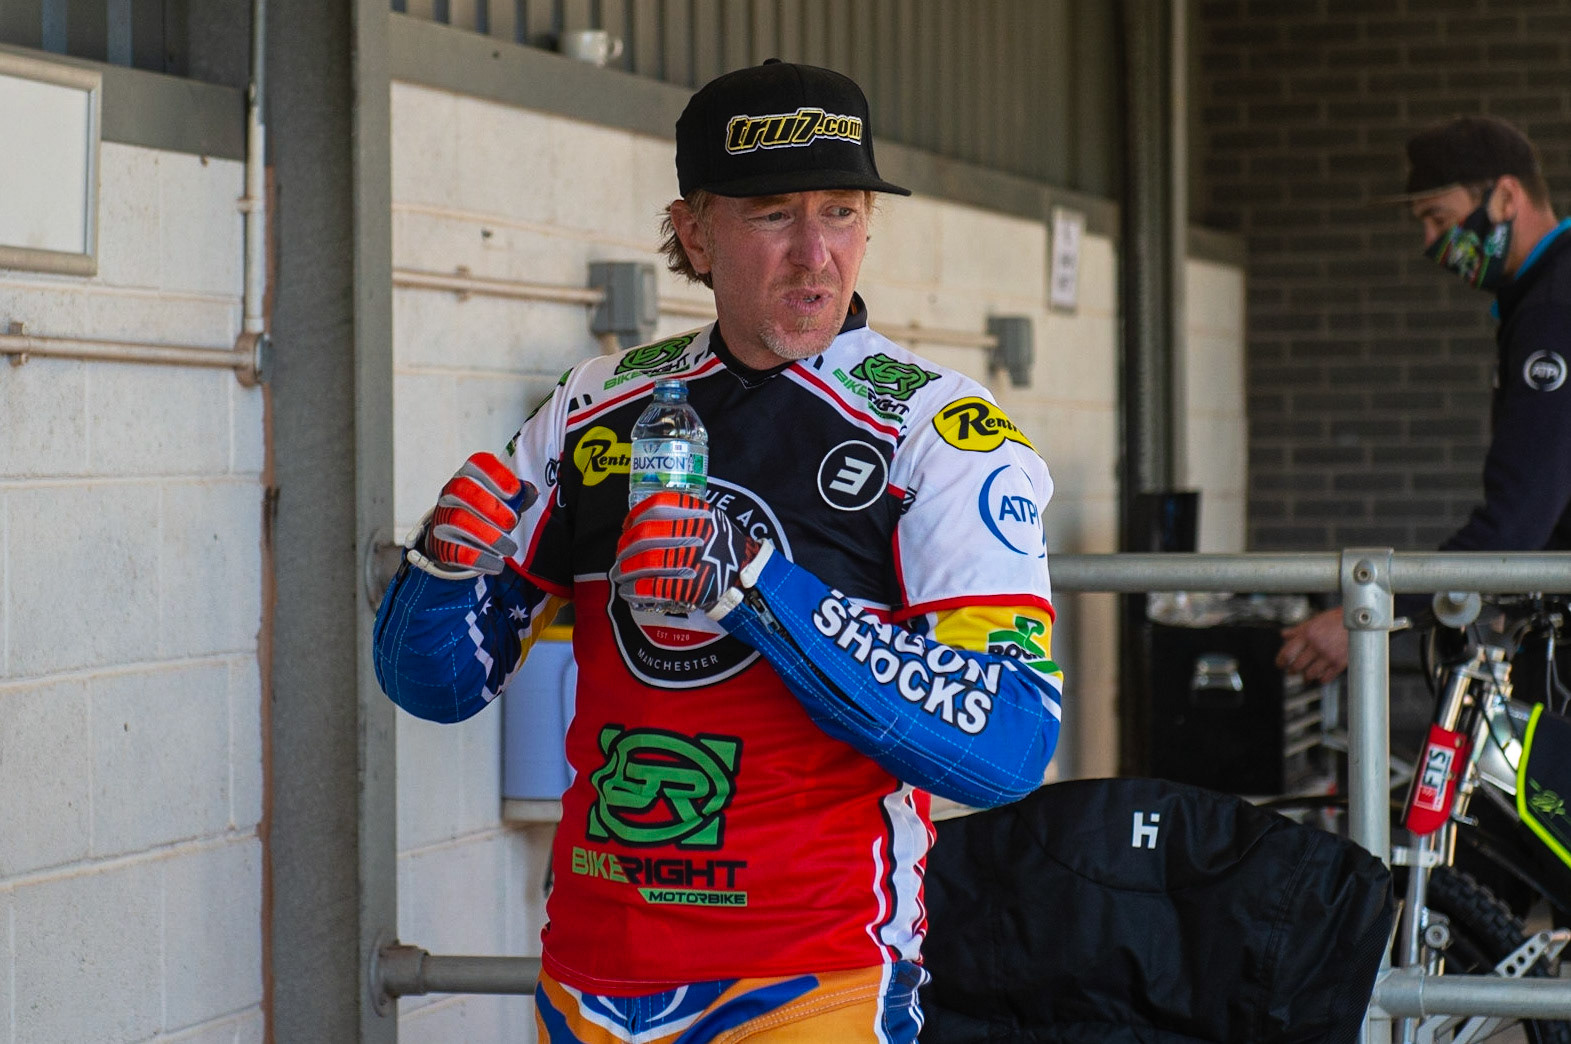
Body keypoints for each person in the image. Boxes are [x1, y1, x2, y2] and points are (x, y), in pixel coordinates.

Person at [373, 59, 1065, 1042]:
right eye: (773, 214)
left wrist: (755, 590)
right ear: (693, 231)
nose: (813, 254)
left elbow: (1006, 743)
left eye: (840, 211)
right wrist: (438, 575)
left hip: (810, 981)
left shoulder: (937, 431)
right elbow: (436, 687)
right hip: (588, 976)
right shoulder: (595, 403)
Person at [1278, 115, 1571, 685]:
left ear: (1507, 197)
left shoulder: (1552, 312)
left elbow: (1517, 523)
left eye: (1440, 218)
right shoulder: (1543, 298)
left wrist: (1374, 611)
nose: (1432, 242)